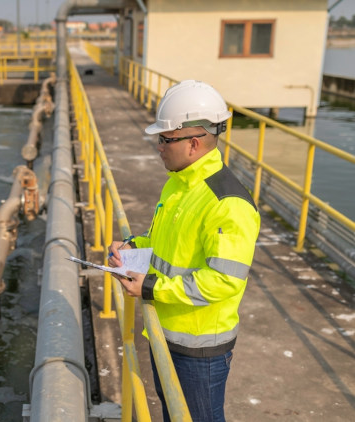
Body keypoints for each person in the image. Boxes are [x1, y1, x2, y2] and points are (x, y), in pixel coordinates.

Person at [107, 80, 261, 421]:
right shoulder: (179, 182)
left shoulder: (227, 204)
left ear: (193, 143)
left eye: (165, 139)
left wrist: (150, 287)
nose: (158, 147)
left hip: (199, 350)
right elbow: (163, 240)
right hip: (167, 333)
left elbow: (223, 280)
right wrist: (131, 246)